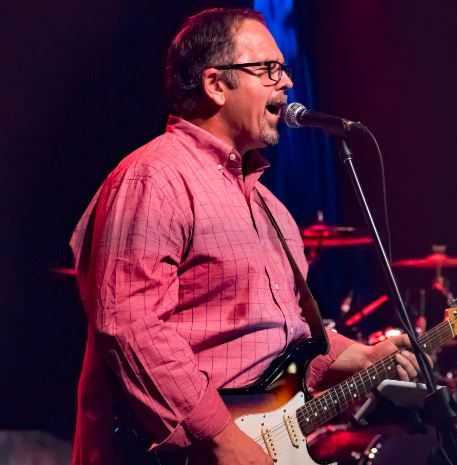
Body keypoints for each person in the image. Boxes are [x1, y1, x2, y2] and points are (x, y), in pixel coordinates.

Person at [69, 8, 420, 465]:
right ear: (216, 84)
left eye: (284, 69)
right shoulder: (154, 178)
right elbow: (131, 327)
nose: (287, 82)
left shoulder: (272, 211)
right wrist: (221, 436)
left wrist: (362, 357)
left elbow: (282, 345)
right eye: (269, 69)